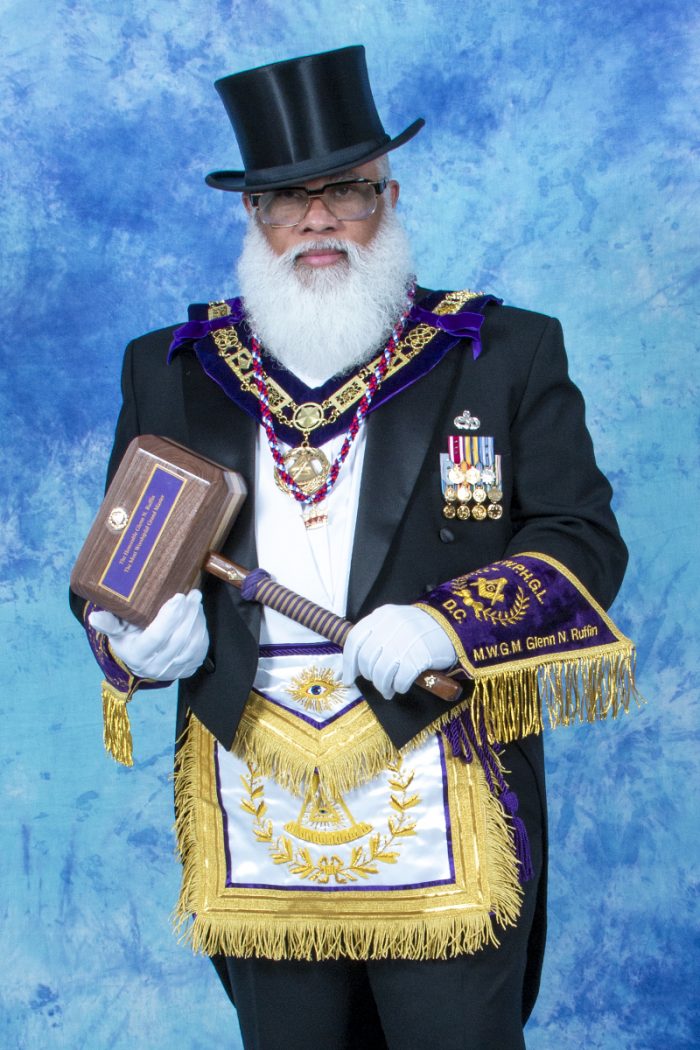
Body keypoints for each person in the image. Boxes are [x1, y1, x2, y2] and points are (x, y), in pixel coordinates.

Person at [73, 46, 634, 1050]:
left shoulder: (502, 352)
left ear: (390, 197)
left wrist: (447, 624)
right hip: (250, 792)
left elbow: (582, 539)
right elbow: (117, 565)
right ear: (254, 215)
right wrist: (133, 641)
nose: (318, 219)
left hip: (442, 769)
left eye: (347, 191)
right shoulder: (172, 369)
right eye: (288, 198)